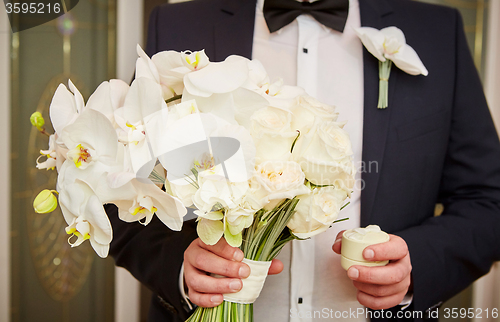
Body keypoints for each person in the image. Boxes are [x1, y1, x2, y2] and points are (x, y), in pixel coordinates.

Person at [106, 0, 500, 321]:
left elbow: (488, 202)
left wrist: (417, 265)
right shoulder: (180, 25)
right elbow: (120, 190)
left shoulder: (436, 31)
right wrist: (180, 269)